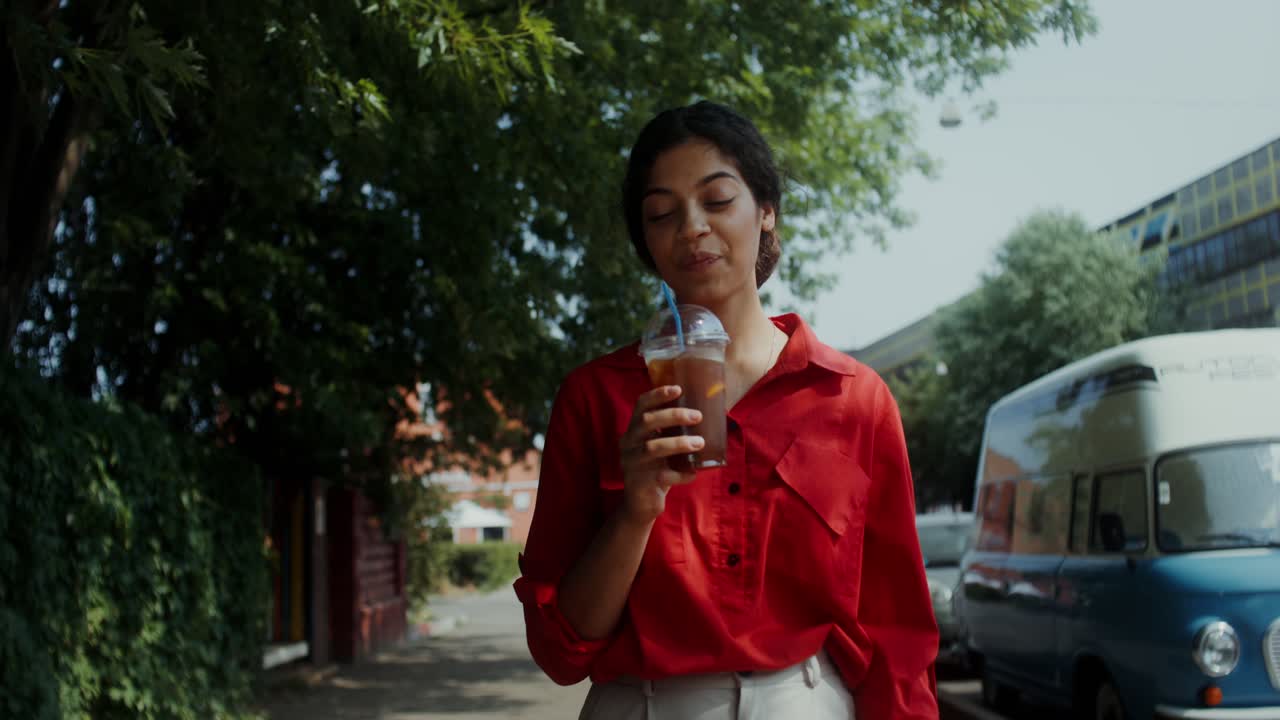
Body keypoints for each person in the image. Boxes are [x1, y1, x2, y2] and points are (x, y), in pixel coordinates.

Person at [514, 101, 939, 719]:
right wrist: (635, 510)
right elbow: (561, 652)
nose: (692, 227)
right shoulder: (594, 398)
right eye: (662, 213)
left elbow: (899, 634)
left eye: (717, 200)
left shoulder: (854, 398)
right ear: (647, 242)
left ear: (766, 211)